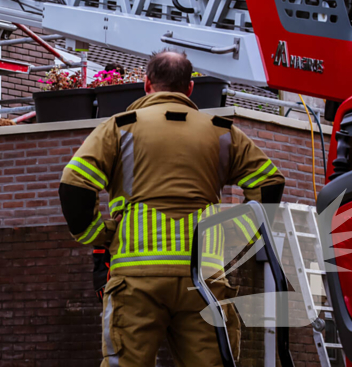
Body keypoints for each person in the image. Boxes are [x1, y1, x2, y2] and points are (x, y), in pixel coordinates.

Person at [58, 50, 285, 366]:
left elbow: (75, 183)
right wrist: (235, 236)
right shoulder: (222, 132)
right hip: (204, 276)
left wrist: (98, 234)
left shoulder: (120, 128)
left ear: (147, 83)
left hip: (136, 278)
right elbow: (269, 182)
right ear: (189, 88)